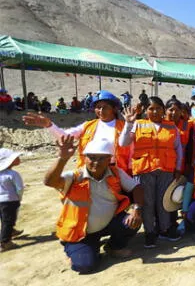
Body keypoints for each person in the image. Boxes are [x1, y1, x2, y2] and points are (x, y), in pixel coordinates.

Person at [44, 137, 143, 274]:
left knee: (133, 221)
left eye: (102, 158)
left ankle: (113, 247)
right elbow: (50, 182)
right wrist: (62, 158)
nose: (96, 162)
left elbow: (136, 188)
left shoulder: (116, 173)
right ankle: (73, 246)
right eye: (92, 157)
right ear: (85, 158)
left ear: (109, 160)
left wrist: (136, 209)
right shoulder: (74, 177)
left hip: (108, 223)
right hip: (81, 232)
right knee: (84, 266)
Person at [120, 97, 184, 248]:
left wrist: (178, 168)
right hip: (144, 170)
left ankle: (165, 229)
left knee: (163, 202)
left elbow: (178, 149)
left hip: (166, 170)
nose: (155, 111)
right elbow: (123, 143)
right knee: (147, 203)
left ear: (163, 110)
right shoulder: (137, 125)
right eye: (151, 108)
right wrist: (128, 123)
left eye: (158, 108)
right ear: (145, 110)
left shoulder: (171, 127)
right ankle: (150, 232)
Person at [23, 90, 130, 172]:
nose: (101, 111)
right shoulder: (87, 126)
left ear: (114, 109)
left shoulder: (125, 127)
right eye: (98, 107)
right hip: (90, 171)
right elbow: (65, 136)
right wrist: (49, 125)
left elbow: (132, 152)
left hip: (117, 172)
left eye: (105, 107)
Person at [0, 149, 24, 252]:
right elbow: (20, 188)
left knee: (4, 218)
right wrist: (19, 197)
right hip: (10, 200)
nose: (18, 159)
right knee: (8, 220)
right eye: (15, 158)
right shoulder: (13, 174)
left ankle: (11, 231)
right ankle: (5, 242)